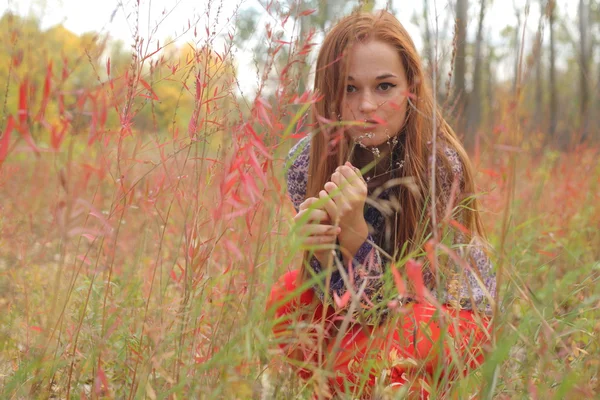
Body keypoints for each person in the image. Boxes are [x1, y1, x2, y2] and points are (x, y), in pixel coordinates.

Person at [266, 9, 497, 399]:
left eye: (385, 87)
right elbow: (337, 299)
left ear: (412, 88)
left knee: (381, 357)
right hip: (364, 313)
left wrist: (355, 232)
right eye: (350, 88)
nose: (367, 105)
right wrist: (321, 257)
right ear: (329, 93)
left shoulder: (439, 167)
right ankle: (367, 379)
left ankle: (366, 378)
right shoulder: (307, 163)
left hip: (444, 312)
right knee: (286, 299)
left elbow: (403, 306)